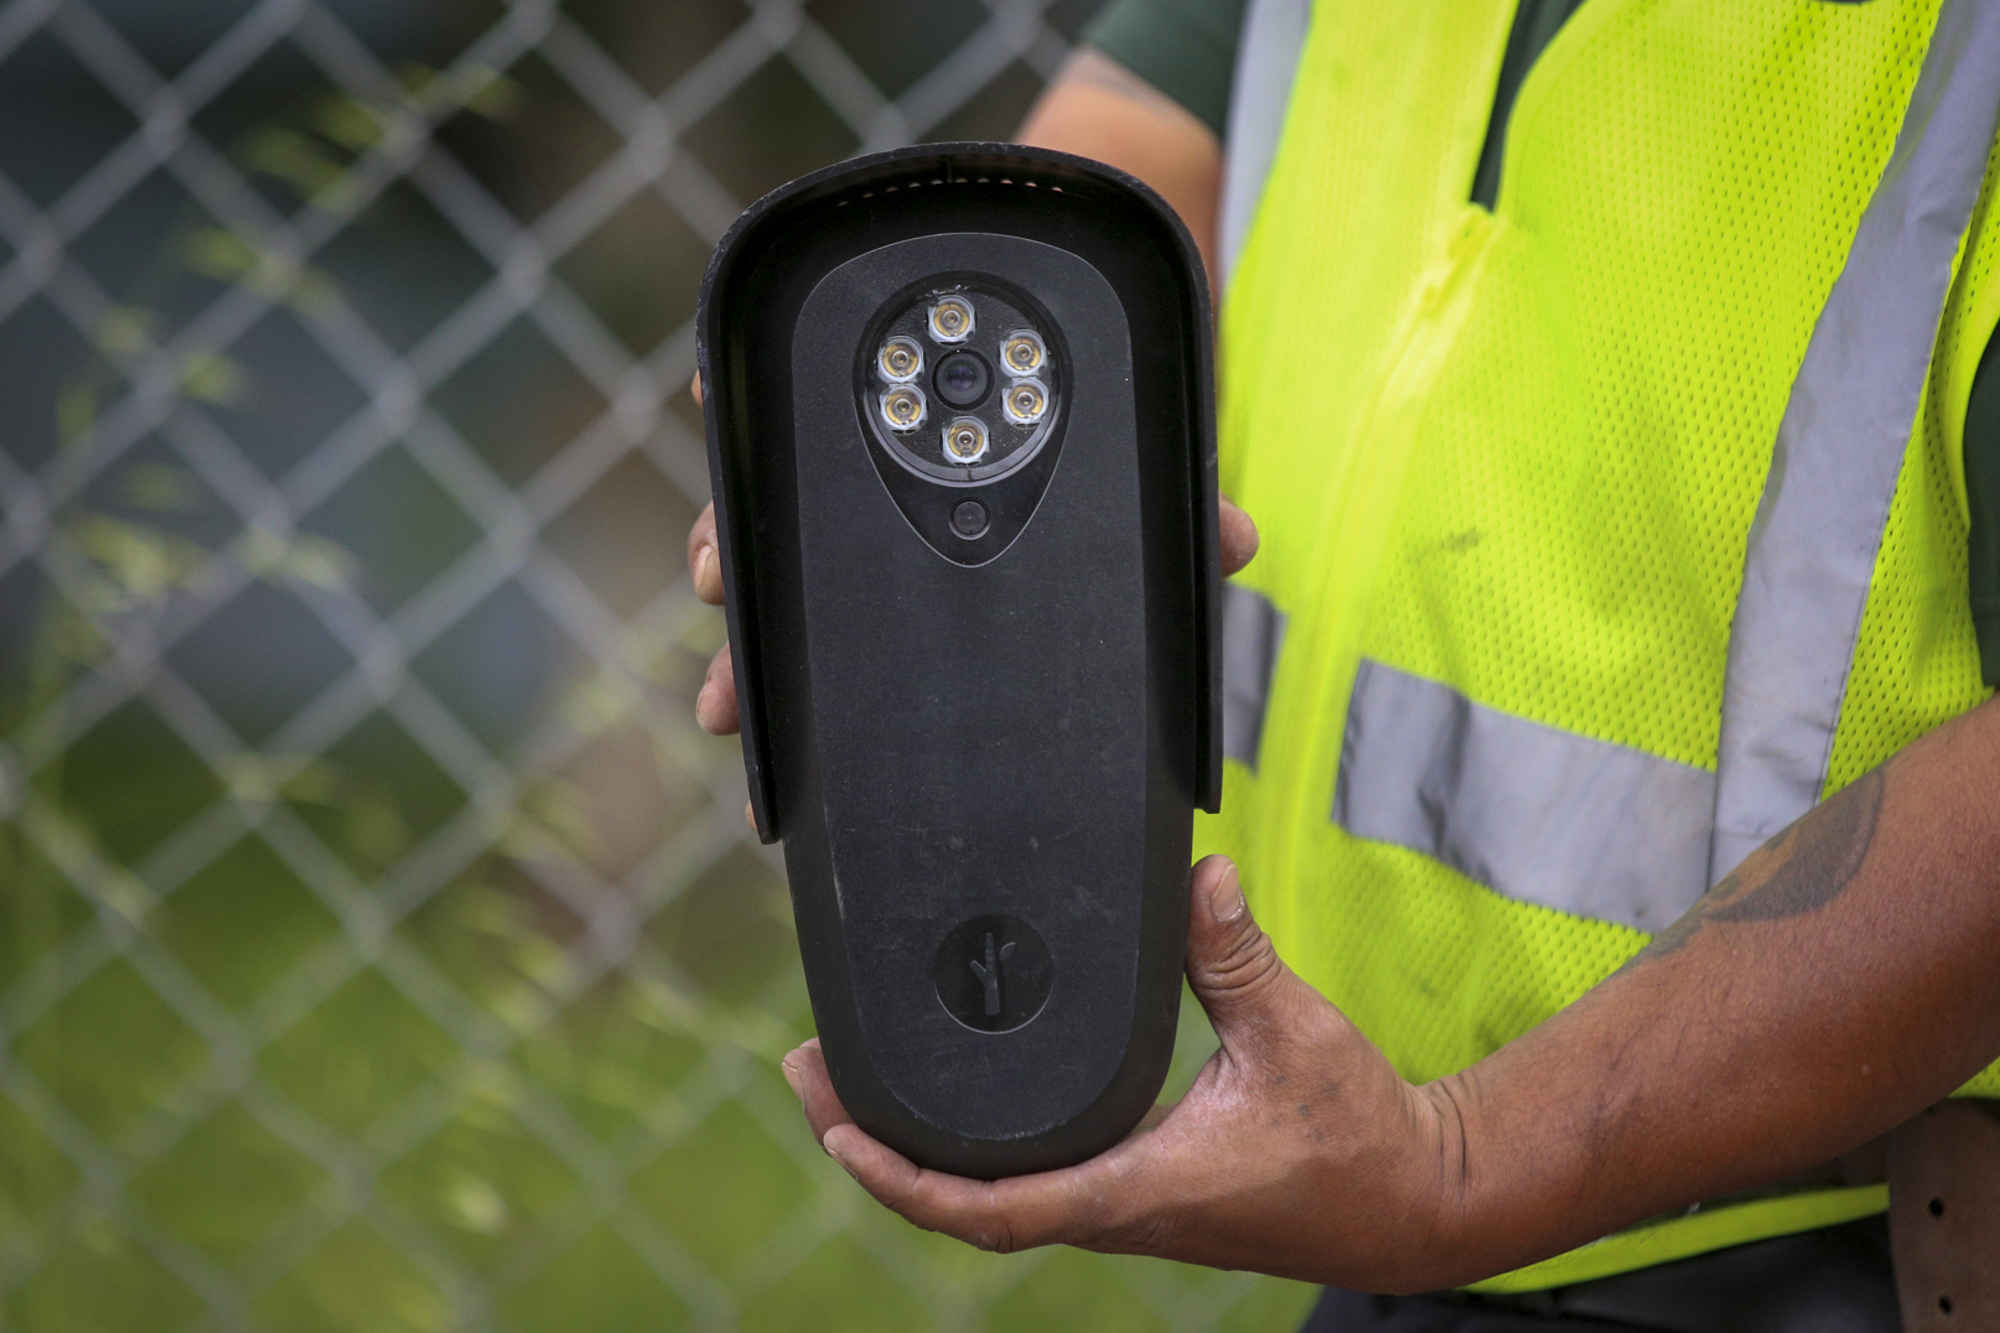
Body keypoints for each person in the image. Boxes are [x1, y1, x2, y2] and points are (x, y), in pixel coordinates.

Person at [685, 0, 2000, 1326]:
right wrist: (931, 408)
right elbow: (1117, 176)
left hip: (1829, 1247)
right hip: (1389, 1204)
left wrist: (1463, 1164)